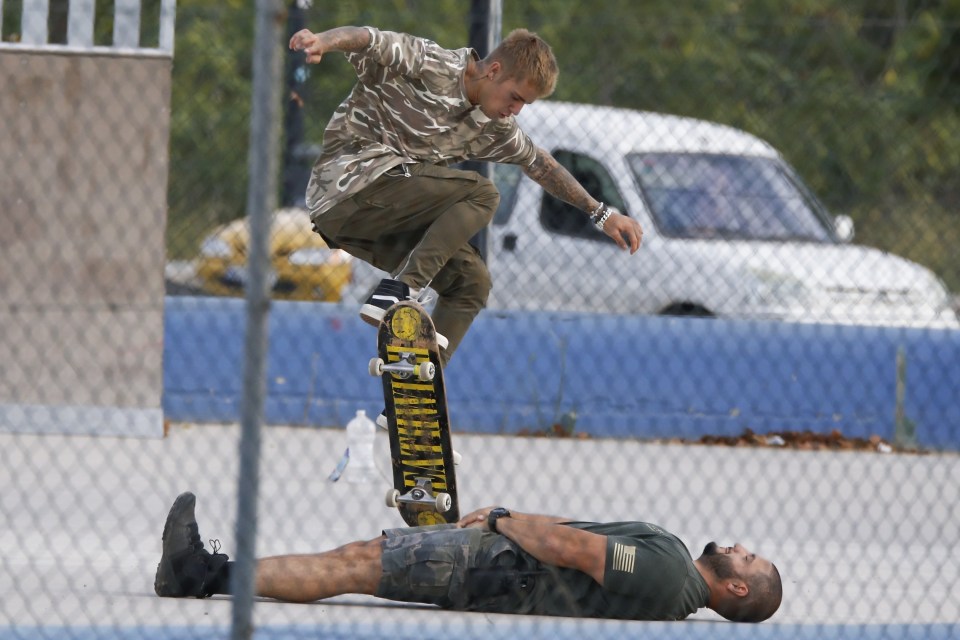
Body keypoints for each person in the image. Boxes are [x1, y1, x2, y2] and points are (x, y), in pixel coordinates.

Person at [288, 25, 644, 369]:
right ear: (494, 70)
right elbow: (367, 39)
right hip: (347, 186)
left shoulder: (495, 127)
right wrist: (323, 41)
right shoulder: (433, 63)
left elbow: (541, 165)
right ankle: (402, 288)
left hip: (365, 223)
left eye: (524, 105)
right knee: (482, 192)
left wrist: (600, 214)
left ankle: (418, 384)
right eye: (515, 97)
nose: (515, 110)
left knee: (472, 283)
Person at [154, 492, 782, 622]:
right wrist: (508, 514)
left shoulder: (670, 576)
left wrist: (506, 523)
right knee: (357, 557)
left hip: (494, 567)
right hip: (499, 557)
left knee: (353, 565)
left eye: (747, 560)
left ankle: (202, 576)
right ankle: (210, 573)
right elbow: (574, 530)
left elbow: (576, 549)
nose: (736, 548)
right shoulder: (677, 572)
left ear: (737, 592)